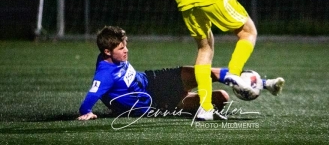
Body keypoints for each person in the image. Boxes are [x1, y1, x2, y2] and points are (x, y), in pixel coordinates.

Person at [77, 26, 285, 121]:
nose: (126, 51)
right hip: (154, 104)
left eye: (126, 46)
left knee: (204, 72)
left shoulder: (110, 57)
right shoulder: (105, 73)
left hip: (154, 80)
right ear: (106, 52)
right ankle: (249, 83)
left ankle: (264, 83)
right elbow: (89, 98)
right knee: (221, 98)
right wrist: (86, 112)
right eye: (121, 48)